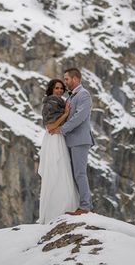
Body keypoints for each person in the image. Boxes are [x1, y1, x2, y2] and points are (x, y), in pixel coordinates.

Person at [50, 67, 94, 215]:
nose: (65, 82)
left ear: (75, 79)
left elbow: (80, 117)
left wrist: (62, 130)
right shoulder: (70, 97)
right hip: (70, 140)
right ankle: (77, 205)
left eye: (67, 79)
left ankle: (85, 207)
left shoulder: (84, 95)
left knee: (80, 174)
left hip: (80, 140)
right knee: (72, 174)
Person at [37, 78, 79, 224]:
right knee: (57, 171)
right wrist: (65, 114)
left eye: (61, 88)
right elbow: (50, 127)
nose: (60, 90)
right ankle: (55, 211)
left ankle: (64, 208)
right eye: (57, 88)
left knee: (62, 172)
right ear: (51, 90)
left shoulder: (59, 102)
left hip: (59, 138)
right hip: (53, 140)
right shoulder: (50, 104)